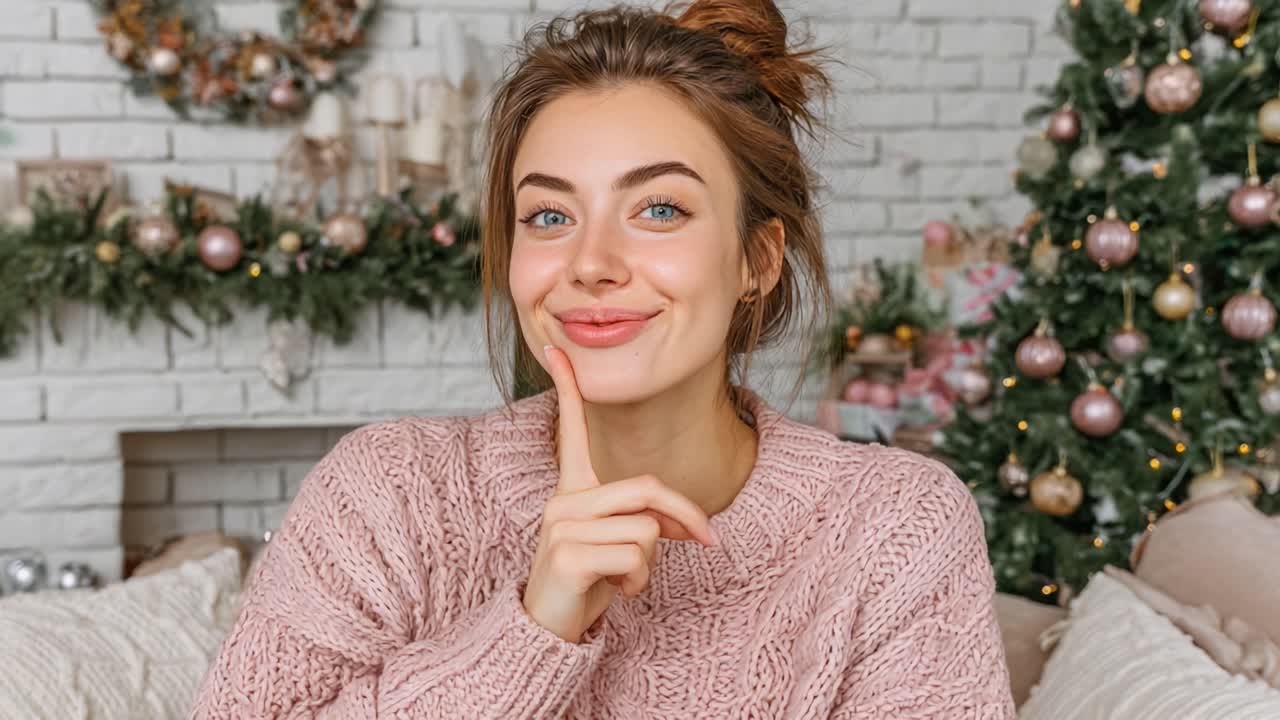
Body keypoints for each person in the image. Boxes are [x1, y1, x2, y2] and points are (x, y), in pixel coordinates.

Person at [188, 1, 1015, 717]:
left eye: (658, 208)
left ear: (758, 260)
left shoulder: (894, 530)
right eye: (548, 216)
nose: (590, 262)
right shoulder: (388, 495)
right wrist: (529, 631)